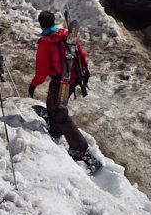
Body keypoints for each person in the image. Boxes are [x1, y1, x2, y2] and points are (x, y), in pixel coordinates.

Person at [28, 11, 101, 172]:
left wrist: (34, 84)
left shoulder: (46, 44)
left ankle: (80, 149)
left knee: (60, 111)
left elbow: (42, 69)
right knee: (52, 101)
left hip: (61, 80)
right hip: (74, 78)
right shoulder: (66, 36)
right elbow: (81, 55)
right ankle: (55, 128)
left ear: (41, 24)